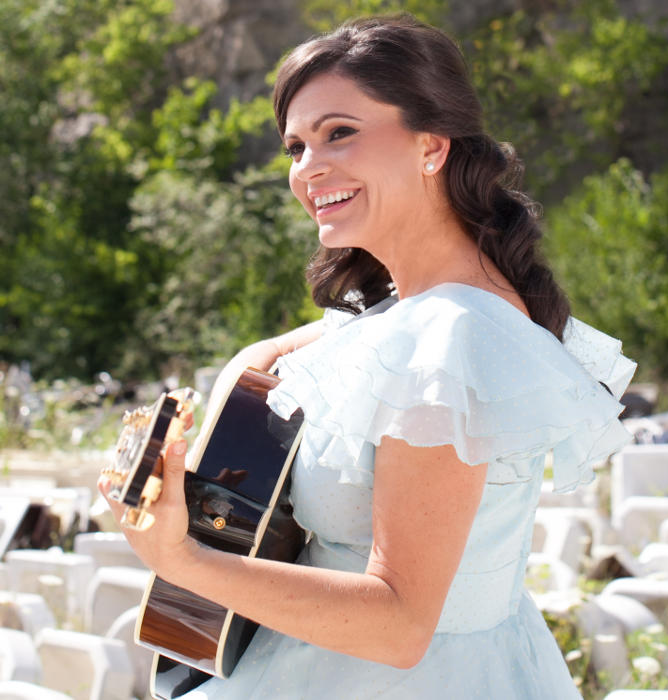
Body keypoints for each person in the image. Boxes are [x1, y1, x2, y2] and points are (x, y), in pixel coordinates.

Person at [99, 14, 636, 699]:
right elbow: (280, 359)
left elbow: (400, 624)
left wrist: (181, 557)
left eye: (340, 133)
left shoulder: (447, 342)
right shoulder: (418, 315)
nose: (307, 168)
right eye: (296, 146)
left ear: (431, 146)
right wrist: (245, 372)